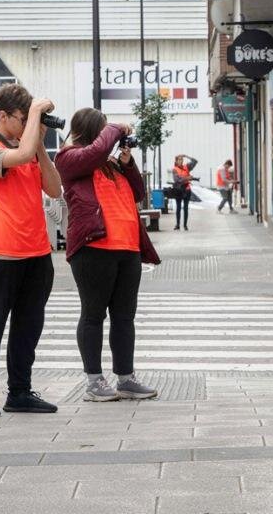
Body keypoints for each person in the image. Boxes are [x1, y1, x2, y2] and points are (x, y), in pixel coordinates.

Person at [0, 83, 62, 417]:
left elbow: (54, 186)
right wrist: (34, 121)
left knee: (28, 325)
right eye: (23, 117)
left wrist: (40, 144)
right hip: (3, 251)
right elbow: (16, 157)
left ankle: (19, 391)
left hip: (37, 250)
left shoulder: (29, 145)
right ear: (3, 116)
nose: (27, 123)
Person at [55, 108, 160, 402]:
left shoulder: (110, 164)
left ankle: (125, 379)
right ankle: (94, 382)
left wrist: (128, 164)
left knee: (124, 317)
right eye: (102, 131)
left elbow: (138, 192)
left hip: (127, 249)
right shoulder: (69, 158)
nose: (108, 139)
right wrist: (115, 127)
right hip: (93, 249)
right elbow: (96, 150)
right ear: (92, 132)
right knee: (93, 314)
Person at [172, 154, 198, 230]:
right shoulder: (175, 169)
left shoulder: (187, 167)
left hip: (187, 190)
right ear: (176, 161)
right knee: (178, 208)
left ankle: (185, 225)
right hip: (179, 190)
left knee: (186, 208)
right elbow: (177, 180)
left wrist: (186, 156)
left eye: (182, 159)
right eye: (179, 159)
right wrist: (187, 178)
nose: (181, 161)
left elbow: (195, 161)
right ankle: (177, 225)